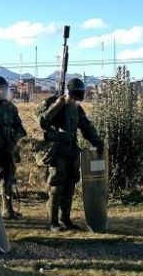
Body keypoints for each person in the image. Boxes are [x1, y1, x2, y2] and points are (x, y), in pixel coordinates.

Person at [34, 78, 104, 232]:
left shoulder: (77, 109)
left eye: (77, 99)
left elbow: (86, 127)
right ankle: (53, 222)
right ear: (66, 93)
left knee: (70, 185)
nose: (74, 101)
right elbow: (42, 123)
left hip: (71, 150)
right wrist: (58, 105)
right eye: (72, 98)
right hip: (55, 151)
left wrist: (97, 142)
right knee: (56, 186)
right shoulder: (50, 102)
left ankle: (65, 219)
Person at [0, 76, 27, 219]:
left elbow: (20, 128)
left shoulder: (11, 107)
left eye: (3, 89)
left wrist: (13, 143)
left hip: (7, 151)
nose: (1, 92)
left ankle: (7, 210)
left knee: (7, 180)